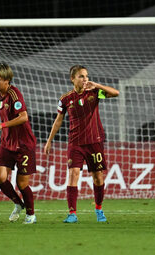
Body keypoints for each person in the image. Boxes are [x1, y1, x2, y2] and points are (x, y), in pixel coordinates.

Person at [44, 65, 119, 223]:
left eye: (86, 76)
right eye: (81, 76)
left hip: (94, 141)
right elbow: (58, 121)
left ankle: (99, 209)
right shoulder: (65, 99)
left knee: (98, 177)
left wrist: (97, 85)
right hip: (75, 143)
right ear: (72, 79)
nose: (85, 79)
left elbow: (115, 93)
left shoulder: (94, 92)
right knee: (73, 175)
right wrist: (49, 140)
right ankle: (72, 213)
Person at [0, 63, 37, 224]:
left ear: (7, 80)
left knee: (21, 183)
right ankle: (18, 203)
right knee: (0, 176)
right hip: (7, 143)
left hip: (23, 145)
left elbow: (23, 117)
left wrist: (1, 126)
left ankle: (31, 215)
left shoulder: (14, 94)